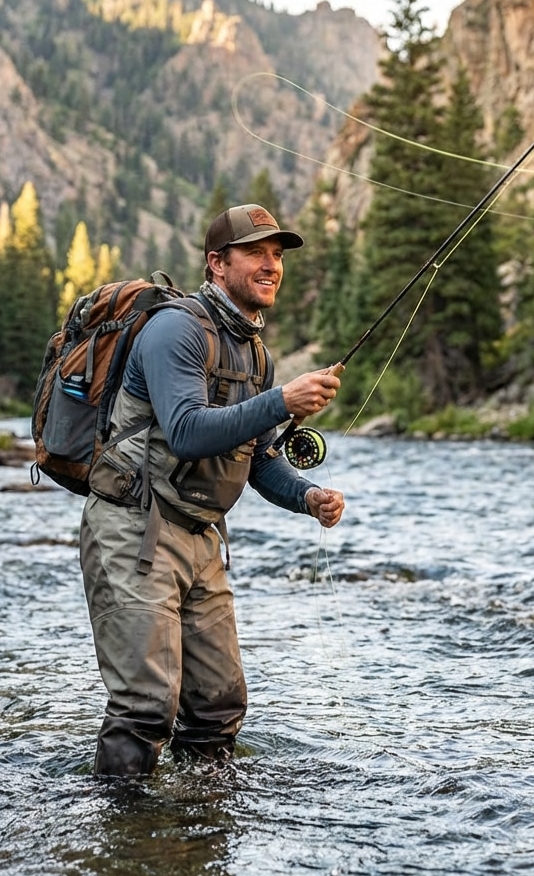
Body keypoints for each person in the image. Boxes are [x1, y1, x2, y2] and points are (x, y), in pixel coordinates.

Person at [79, 203, 345, 777]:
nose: (271, 265)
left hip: (201, 537)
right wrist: (282, 401)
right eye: (256, 252)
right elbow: (188, 430)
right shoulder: (176, 329)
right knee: (145, 708)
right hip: (136, 526)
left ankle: (200, 825)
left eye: (277, 255)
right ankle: (126, 837)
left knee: (217, 708)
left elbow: (260, 458)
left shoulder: (256, 351)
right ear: (217, 264)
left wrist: (307, 496)